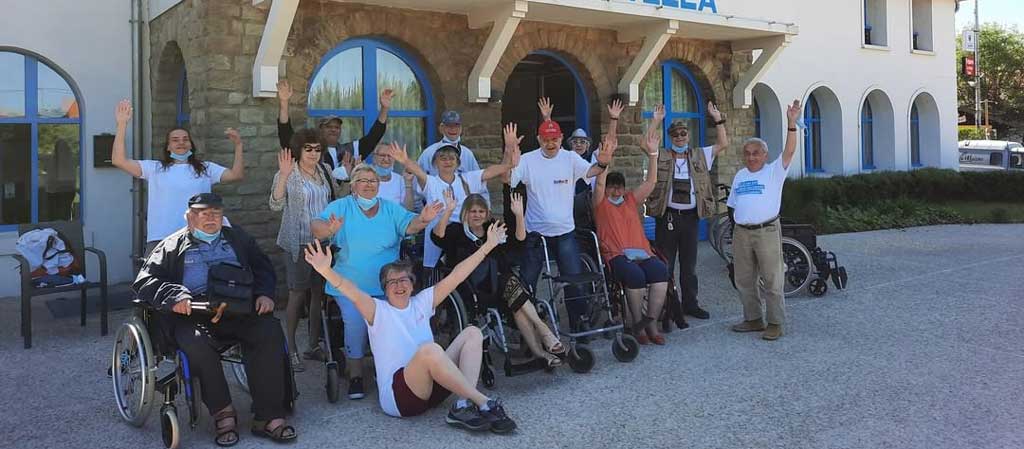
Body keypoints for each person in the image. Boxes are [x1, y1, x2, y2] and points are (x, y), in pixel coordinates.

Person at [304, 228, 517, 433]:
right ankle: (483, 401)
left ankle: (462, 406)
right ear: (384, 289)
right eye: (392, 282)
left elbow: (457, 276)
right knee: (430, 350)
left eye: (403, 279)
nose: (399, 285)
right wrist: (325, 270)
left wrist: (487, 246)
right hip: (400, 399)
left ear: (412, 285)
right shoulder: (378, 310)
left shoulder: (422, 302)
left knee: (472, 333)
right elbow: (348, 289)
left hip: (432, 386)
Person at [134, 193, 296, 446]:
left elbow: (263, 266)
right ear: (190, 217)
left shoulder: (238, 239)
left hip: (237, 308)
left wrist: (265, 294)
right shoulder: (171, 245)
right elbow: (145, 280)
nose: (210, 218)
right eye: (203, 213)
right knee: (196, 344)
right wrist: (174, 296)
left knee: (269, 330)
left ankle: (268, 415)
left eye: (216, 213)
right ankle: (223, 413)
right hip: (194, 313)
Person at [311, 164, 443, 400]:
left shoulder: (390, 209)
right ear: (353, 186)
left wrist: (423, 219)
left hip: (387, 285)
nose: (369, 184)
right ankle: (356, 374)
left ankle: (401, 369)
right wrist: (328, 229)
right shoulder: (340, 207)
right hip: (349, 285)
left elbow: (410, 225)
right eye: (363, 180)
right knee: (355, 321)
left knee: (398, 318)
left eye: (373, 181)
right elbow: (316, 226)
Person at [432, 190, 566, 368]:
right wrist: (448, 211)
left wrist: (519, 216)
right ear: (465, 213)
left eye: (481, 211)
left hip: (503, 287)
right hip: (474, 290)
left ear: (487, 213)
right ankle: (544, 330)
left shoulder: (493, 228)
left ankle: (541, 353)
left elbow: (519, 242)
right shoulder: (457, 232)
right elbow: (437, 237)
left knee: (516, 301)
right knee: (511, 287)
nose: (477, 215)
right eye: (473, 211)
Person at [510, 108, 617, 331]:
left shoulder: (570, 158)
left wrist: (604, 163)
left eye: (555, 139)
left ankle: (579, 325)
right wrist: (510, 153)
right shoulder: (528, 160)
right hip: (535, 234)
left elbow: (591, 172)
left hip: (565, 232)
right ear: (539, 139)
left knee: (574, 281)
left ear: (561, 139)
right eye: (546, 139)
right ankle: (526, 331)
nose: (551, 143)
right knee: (527, 281)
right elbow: (508, 179)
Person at [111, 99, 245, 253]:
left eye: (185, 139)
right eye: (175, 140)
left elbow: (236, 175)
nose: (181, 143)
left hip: (198, 237)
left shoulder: (206, 168)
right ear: (168, 147)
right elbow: (118, 160)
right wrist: (122, 124)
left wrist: (238, 146)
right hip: (161, 239)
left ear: (191, 145)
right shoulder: (154, 168)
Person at [391, 125, 520, 272]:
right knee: (435, 275)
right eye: (443, 158)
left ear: (458, 163)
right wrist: (405, 161)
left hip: (462, 239)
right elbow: (419, 172)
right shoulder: (431, 182)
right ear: (435, 163)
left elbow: (488, 172)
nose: (448, 161)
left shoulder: (466, 179)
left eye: (452, 158)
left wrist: (510, 164)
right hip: (439, 236)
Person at [645, 102, 730, 323]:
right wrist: (656, 121)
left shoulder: (701, 155)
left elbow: (723, 143)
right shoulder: (662, 155)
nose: (680, 137)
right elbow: (645, 143)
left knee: (689, 266)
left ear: (688, 136)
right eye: (675, 135)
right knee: (665, 265)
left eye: (683, 134)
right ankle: (665, 306)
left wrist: (717, 118)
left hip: (691, 218)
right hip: (668, 218)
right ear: (670, 137)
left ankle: (690, 304)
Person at [727, 100, 801, 341]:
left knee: (772, 279)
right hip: (742, 232)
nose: (751, 157)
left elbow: (789, 151)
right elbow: (732, 205)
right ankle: (753, 319)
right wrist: (735, 229)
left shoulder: (773, 171)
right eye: (747, 154)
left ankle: (775, 323)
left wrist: (791, 124)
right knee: (744, 280)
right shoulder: (739, 175)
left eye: (756, 153)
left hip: (766, 231)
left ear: (765, 155)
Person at [269, 128, 340, 371]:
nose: (313, 153)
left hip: (324, 242)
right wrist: (284, 176)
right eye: (308, 149)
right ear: (299, 150)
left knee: (319, 294)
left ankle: (312, 346)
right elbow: (275, 204)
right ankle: (290, 350)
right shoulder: (288, 172)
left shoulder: (326, 171)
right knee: (297, 295)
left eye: (317, 149)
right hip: (298, 242)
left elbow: (336, 201)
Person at [592, 133, 670, 345]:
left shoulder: (630, 200)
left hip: (641, 252)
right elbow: (599, 185)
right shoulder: (600, 204)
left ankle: (651, 323)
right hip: (616, 254)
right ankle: (637, 323)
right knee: (635, 276)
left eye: (619, 186)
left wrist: (653, 155)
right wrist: (606, 158)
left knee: (660, 271)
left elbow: (651, 181)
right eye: (612, 186)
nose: (616, 190)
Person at [276, 79, 393, 181]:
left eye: (337, 127)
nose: (333, 130)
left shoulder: (350, 150)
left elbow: (374, 136)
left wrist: (384, 109)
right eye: (328, 126)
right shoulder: (310, 151)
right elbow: (286, 136)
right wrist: (284, 103)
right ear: (320, 129)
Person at [416, 110, 481, 176]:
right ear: (441, 127)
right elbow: (418, 178)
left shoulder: (468, 154)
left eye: (456, 125)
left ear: (461, 128)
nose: (453, 129)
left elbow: (477, 179)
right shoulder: (429, 153)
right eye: (449, 126)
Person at [369, 143, 416, 210]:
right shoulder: (366, 180)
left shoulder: (401, 180)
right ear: (374, 158)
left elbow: (409, 210)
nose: (386, 159)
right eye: (382, 155)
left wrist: (408, 183)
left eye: (390, 156)